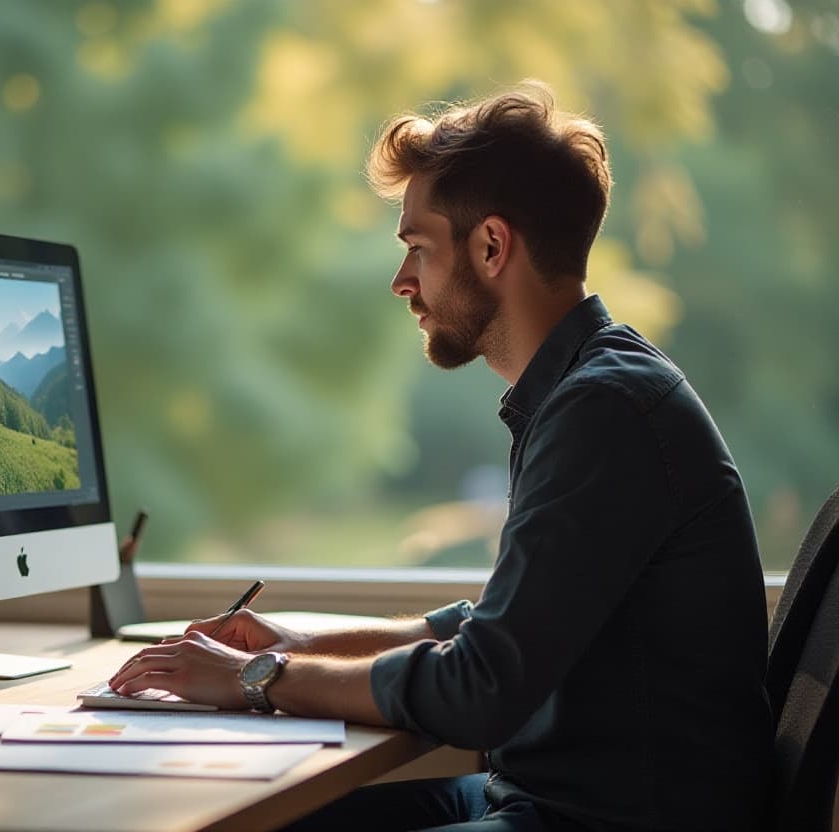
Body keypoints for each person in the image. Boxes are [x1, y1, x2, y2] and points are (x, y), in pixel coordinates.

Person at [108, 81, 772, 832]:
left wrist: (261, 679)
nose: (402, 282)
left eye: (418, 249)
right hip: (549, 802)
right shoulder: (587, 388)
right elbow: (494, 624)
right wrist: (301, 641)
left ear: (491, 246)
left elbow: (480, 687)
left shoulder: (603, 411)